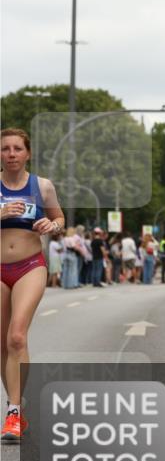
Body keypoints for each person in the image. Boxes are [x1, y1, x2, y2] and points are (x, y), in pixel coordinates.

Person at [1, 128, 65, 441]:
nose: (11, 154)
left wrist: (52, 225)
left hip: (29, 266)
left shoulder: (42, 186)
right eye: (5, 149)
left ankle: (13, 412)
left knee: (16, 336)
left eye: (17, 148)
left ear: (27, 153)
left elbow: (60, 220)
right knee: (2, 343)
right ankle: (16, 404)